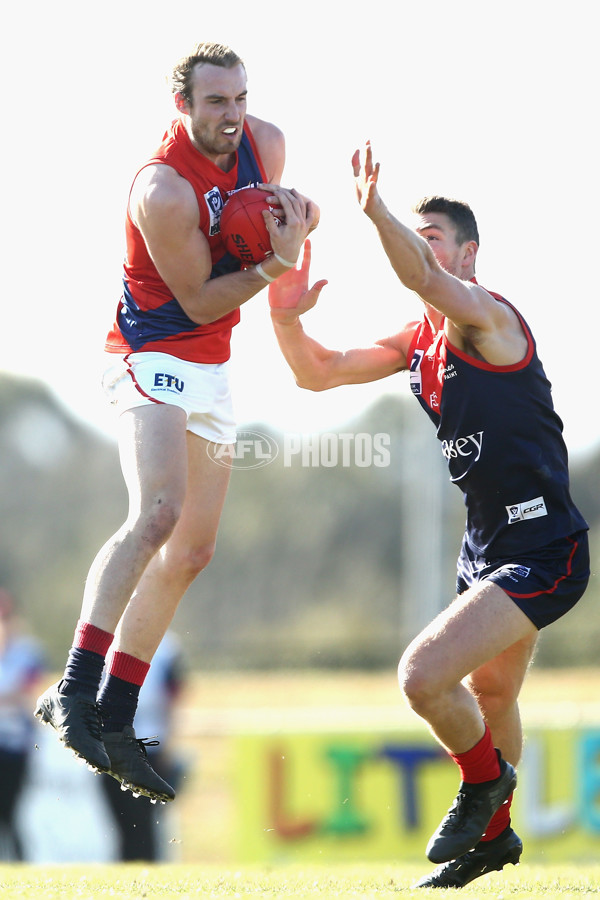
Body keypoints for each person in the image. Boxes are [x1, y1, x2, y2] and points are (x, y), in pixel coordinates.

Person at [267, 142, 589, 889]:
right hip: (486, 552)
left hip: (545, 547)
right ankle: (495, 841)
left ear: (469, 257)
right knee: (494, 694)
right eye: (419, 238)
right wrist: (283, 308)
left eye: (434, 238)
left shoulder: (490, 317)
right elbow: (318, 373)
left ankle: (485, 786)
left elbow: (419, 274)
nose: (422, 251)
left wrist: (376, 210)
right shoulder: (420, 344)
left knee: (420, 677)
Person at [34, 41, 319, 805]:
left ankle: (118, 716)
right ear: (183, 106)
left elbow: (274, 226)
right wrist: (272, 266)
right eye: (215, 102)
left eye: (239, 99)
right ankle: (72, 688)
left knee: (192, 548)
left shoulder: (269, 143)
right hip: (149, 349)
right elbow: (197, 300)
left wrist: (294, 230)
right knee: (157, 514)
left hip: (212, 367)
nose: (232, 117)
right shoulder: (161, 189)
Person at [99, 632, 186, 860]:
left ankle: (146, 873)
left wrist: (169, 743)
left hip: (149, 745)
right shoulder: (104, 639)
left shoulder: (167, 648)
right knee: (120, 821)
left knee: (143, 822)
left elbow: (174, 697)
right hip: (109, 745)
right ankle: (127, 873)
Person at [0, 588, 45, 860]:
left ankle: (18, 862)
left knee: (11, 810)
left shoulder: (27, 651)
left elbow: (28, 693)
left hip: (16, 744)